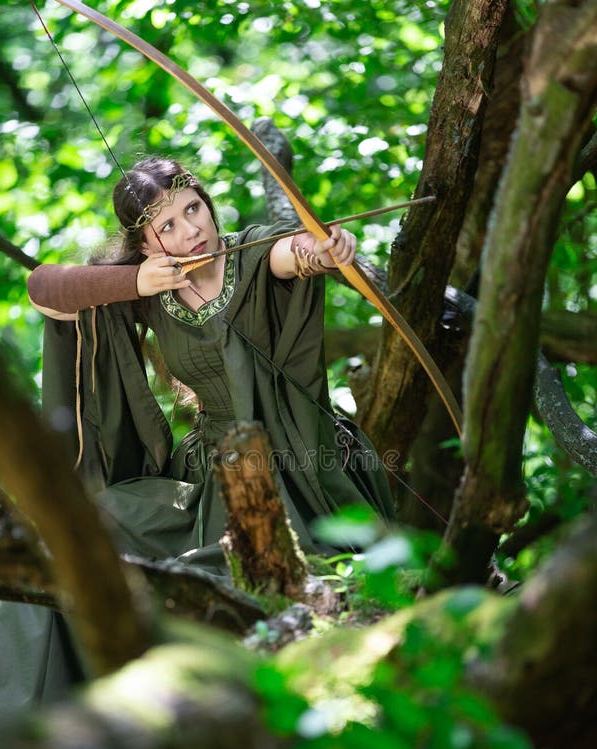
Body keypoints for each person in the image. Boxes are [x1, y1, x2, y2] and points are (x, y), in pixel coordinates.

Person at [28, 157, 394, 572]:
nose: (191, 229)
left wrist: (324, 250)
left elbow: (293, 251)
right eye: (167, 227)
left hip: (302, 451)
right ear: (146, 247)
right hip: (213, 471)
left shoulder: (253, 253)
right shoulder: (153, 288)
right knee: (90, 522)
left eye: (193, 208)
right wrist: (133, 282)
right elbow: (42, 288)